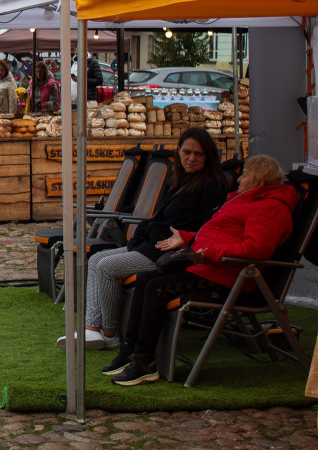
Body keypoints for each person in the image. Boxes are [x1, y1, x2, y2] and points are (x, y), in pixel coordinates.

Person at [109, 154, 296, 386]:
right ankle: (131, 351)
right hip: (211, 268)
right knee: (146, 278)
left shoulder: (270, 207)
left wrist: (207, 254)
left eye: (245, 175)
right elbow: (221, 234)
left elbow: (256, 249)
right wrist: (187, 238)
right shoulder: (246, 201)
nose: (239, 180)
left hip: (229, 277)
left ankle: (144, 361)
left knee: (156, 287)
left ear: (258, 181)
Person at [56, 128, 227, 351]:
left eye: (199, 154)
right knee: (96, 260)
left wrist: (184, 239)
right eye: (187, 152)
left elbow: (210, 227)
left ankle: (110, 332)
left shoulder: (211, 185)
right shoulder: (181, 180)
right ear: (178, 151)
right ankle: (91, 329)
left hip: (171, 253)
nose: (192, 158)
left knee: (106, 267)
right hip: (153, 244)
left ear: (208, 156)